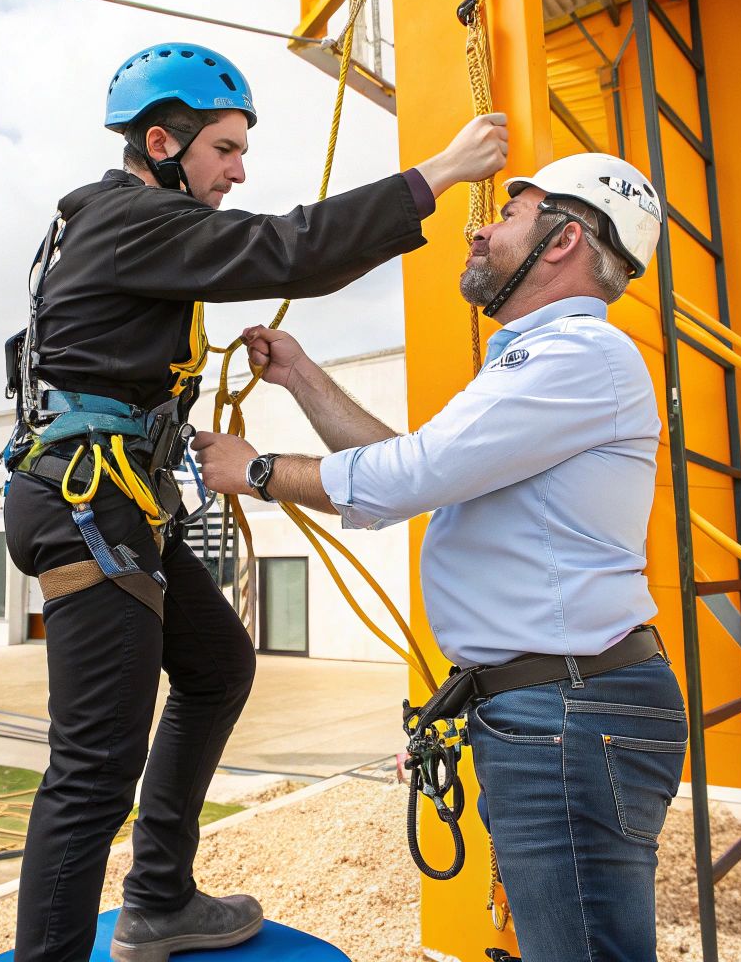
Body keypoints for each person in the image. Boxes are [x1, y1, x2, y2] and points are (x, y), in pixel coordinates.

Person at [0, 41, 508, 962]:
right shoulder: (132, 219)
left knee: (217, 665)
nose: (238, 171)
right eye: (225, 149)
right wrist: (440, 173)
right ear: (162, 144)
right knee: (95, 768)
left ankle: (158, 898)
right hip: (88, 505)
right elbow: (291, 249)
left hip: (116, 499)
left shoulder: (114, 224)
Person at [193, 152, 685, 960]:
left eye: (509, 214)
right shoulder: (545, 362)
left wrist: (257, 471)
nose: (479, 231)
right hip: (557, 707)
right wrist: (302, 377)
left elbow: (409, 476)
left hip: (568, 710)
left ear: (563, 240)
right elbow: (424, 470)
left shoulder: (576, 357)